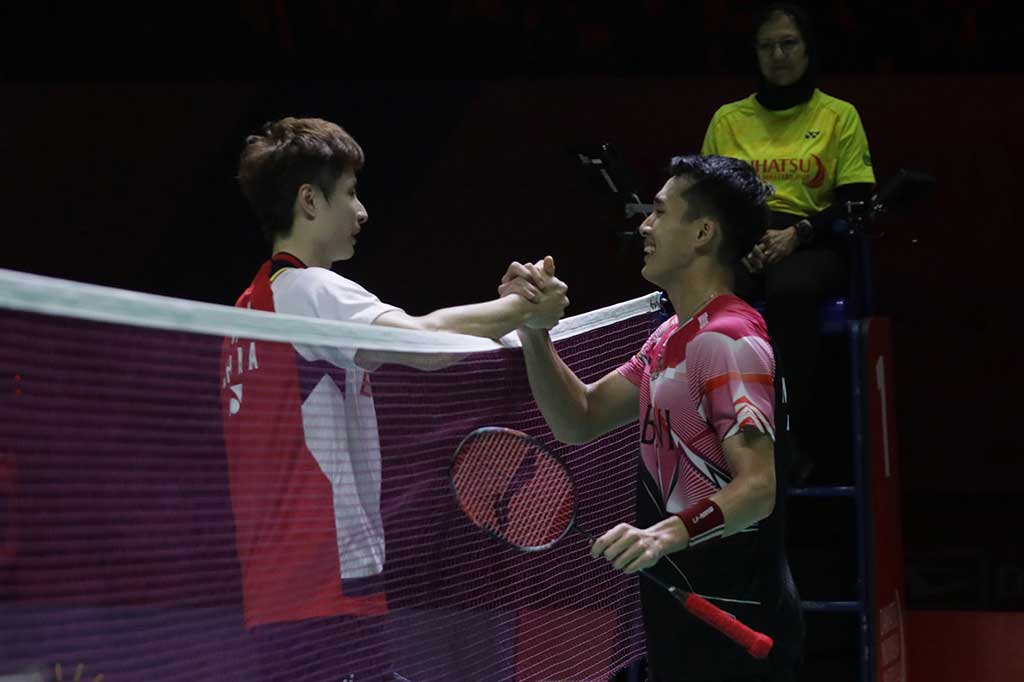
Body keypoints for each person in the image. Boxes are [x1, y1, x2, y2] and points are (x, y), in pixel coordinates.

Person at [219, 116, 568, 681]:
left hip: (275, 593)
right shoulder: (312, 289)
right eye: (350, 193)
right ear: (309, 201)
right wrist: (525, 308)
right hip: (327, 580)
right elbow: (423, 343)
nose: (362, 212)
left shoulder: (248, 306)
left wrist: (507, 315)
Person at [500, 155, 803, 681]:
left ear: (703, 233)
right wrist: (534, 330)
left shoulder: (728, 339)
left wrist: (662, 536)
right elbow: (580, 418)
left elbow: (758, 488)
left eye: (660, 212)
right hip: (682, 609)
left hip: (738, 617)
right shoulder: (670, 336)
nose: (644, 226)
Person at [701, 3, 876, 483]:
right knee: (711, 297)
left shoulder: (838, 115)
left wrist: (798, 234)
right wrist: (742, 241)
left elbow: (856, 199)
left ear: (807, 49)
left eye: (788, 44)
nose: (778, 55)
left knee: (790, 292)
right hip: (745, 240)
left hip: (812, 239)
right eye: (767, 46)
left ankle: (783, 437)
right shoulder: (728, 119)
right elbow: (708, 200)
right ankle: (715, 437)